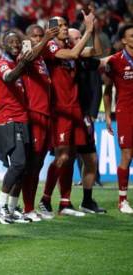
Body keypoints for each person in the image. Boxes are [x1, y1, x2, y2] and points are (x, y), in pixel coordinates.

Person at [37, 10, 101, 218]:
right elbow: (73, 56)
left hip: (75, 109)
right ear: (53, 29)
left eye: (66, 25)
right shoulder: (51, 46)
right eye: (62, 25)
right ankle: (45, 200)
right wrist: (87, 30)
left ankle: (65, 202)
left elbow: (95, 52)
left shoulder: (69, 45)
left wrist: (93, 31)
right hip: (60, 110)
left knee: (71, 155)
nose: (65, 28)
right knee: (62, 155)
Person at [0, 31, 34, 224]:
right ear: (3, 45)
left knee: (24, 167)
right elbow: (8, 78)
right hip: (9, 120)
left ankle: (13, 208)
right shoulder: (2, 64)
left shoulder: (16, 63)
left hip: (22, 119)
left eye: (18, 42)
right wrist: (24, 63)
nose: (16, 45)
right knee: (18, 164)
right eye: (11, 42)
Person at [21, 24, 58, 222]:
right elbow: (28, 57)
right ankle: (26, 208)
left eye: (40, 35)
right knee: (31, 164)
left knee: (38, 163)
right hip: (33, 114)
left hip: (46, 115)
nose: (37, 38)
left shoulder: (43, 59)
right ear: (27, 38)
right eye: (34, 35)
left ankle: (29, 207)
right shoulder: (26, 53)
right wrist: (46, 39)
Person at [68, 27, 106, 214]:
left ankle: (87, 200)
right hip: (67, 117)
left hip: (84, 117)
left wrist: (93, 31)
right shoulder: (63, 58)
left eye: (79, 38)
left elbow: (98, 52)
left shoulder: (85, 61)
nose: (78, 41)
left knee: (91, 160)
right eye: (73, 38)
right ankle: (58, 201)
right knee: (63, 160)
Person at [103, 24, 133, 214]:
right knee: (127, 156)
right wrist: (107, 115)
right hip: (126, 112)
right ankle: (122, 200)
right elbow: (107, 91)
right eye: (132, 35)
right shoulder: (114, 61)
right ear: (123, 40)